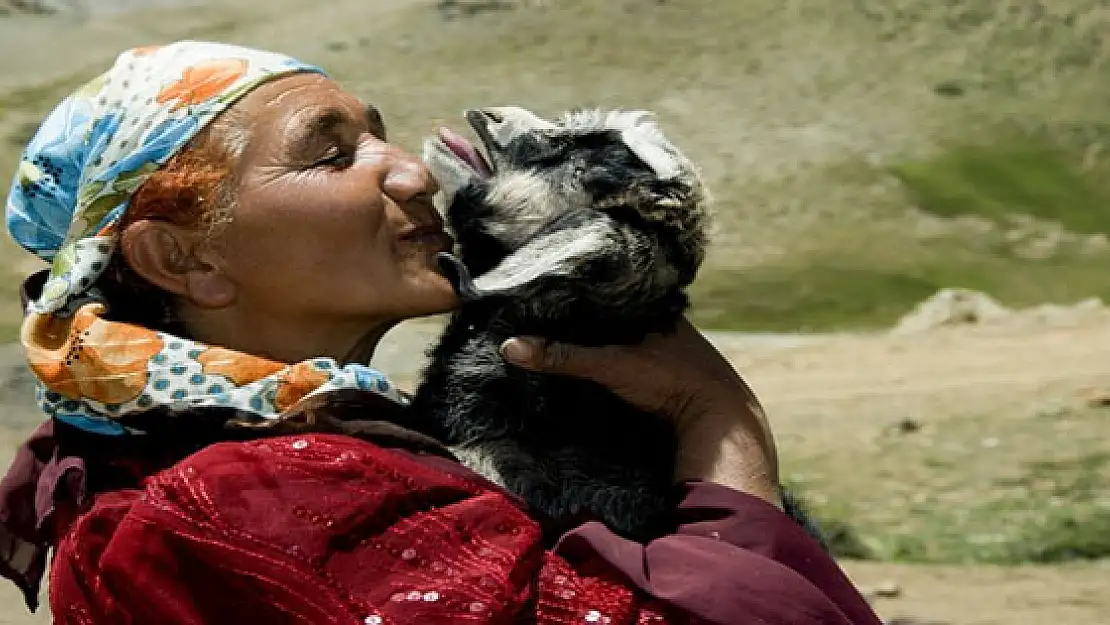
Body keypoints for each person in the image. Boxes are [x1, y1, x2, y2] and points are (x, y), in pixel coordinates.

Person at [0, 41, 882, 624]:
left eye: (381, 135)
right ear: (183, 260)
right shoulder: (256, 502)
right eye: (331, 153)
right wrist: (720, 422)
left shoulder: (188, 456)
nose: (415, 171)